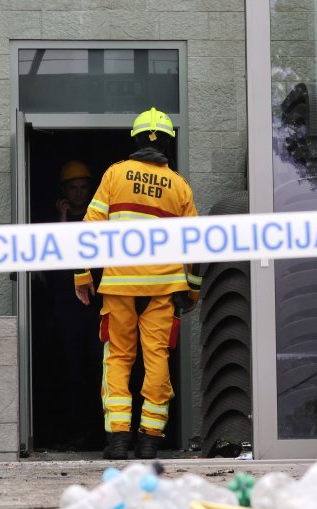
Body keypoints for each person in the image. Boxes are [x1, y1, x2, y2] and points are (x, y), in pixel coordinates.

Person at [73, 107, 201, 460]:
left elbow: (90, 227)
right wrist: (192, 290)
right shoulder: (179, 186)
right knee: (156, 360)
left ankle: (118, 440)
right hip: (162, 291)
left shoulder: (115, 174)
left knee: (118, 359)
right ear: (168, 144)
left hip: (119, 288)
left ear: (135, 140)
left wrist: (82, 274)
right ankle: (149, 440)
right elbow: (196, 243)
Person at [48, 160, 104, 449]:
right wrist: (62, 221)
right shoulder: (57, 220)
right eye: (73, 188)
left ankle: (101, 433)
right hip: (67, 312)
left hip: (94, 310)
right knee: (71, 374)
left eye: (84, 187)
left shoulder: (98, 220)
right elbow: (56, 267)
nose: (79, 193)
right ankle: (75, 433)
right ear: (64, 191)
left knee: (99, 371)